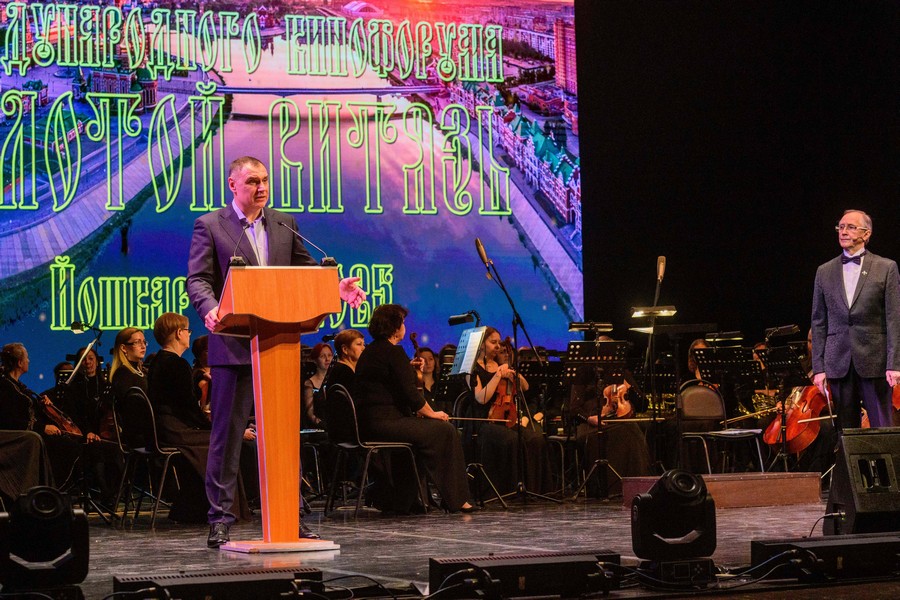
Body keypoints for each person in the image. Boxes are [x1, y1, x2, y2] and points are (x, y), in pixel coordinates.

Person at [186, 155, 365, 548]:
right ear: (233, 185)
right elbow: (198, 280)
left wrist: (334, 287)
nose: (262, 187)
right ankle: (220, 519)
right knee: (228, 438)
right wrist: (210, 308)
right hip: (234, 346)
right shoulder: (211, 226)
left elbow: (307, 272)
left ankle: (290, 517)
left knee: (283, 437)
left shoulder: (284, 224)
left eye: (265, 180)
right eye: (253, 181)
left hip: (280, 347)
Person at [352, 304, 473, 514]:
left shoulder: (372, 351)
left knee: (420, 439)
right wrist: (433, 414)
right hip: (385, 423)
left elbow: (390, 383)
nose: (405, 327)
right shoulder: (393, 351)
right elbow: (410, 394)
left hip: (370, 423)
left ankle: (405, 501)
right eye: (403, 322)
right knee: (445, 430)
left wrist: (407, 369)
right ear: (395, 327)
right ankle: (457, 499)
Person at [812, 209, 900, 430]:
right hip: (838, 361)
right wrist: (819, 368)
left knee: (881, 428)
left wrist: (894, 364)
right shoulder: (824, 271)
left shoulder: (886, 267)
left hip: (875, 361)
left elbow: (894, 319)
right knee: (845, 432)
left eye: (851, 227)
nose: (844, 232)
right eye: (841, 227)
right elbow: (819, 321)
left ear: (866, 234)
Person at [469, 327, 553, 496]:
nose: (497, 346)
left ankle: (535, 489)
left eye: (498, 342)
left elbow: (525, 388)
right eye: (493, 342)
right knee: (513, 439)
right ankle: (510, 491)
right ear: (481, 344)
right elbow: (480, 398)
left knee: (535, 439)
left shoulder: (500, 364)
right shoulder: (472, 369)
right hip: (483, 421)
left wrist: (516, 376)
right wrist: (497, 376)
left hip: (506, 419)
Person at [0, 343, 80, 490]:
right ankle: (51, 490)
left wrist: (42, 404)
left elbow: (28, 409)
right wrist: (42, 428)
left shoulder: (18, 385)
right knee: (65, 446)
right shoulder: (5, 386)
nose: (29, 361)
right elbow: (10, 419)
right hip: (19, 437)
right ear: (19, 363)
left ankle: (54, 490)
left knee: (68, 442)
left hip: (30, 432)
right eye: (27, 358)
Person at [302, 343, 333, 429]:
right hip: (320, 429)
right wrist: (323, 425)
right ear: (315, 360)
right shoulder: (309, 383)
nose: (327, 359)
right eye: (322, 356)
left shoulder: (336, 379)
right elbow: (310, 414)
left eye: (329, 355)